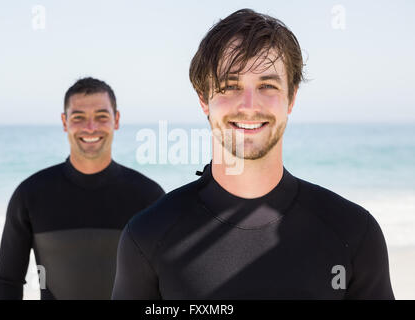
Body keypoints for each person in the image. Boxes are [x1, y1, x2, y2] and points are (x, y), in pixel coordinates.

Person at [112, 9, 394, 299]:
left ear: (291, 97)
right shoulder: (147, 237)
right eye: (230, 86)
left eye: (267, 85)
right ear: (203, 99)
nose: (249, 105)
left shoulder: (354, 232)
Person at [0, 77, 165, 299]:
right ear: (65, 122)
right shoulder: (30, 195)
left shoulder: (149, 196)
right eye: (78, 117)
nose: (90, 127)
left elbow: (168, 282)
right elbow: (8, 280)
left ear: (117, 119)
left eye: (101, 116)